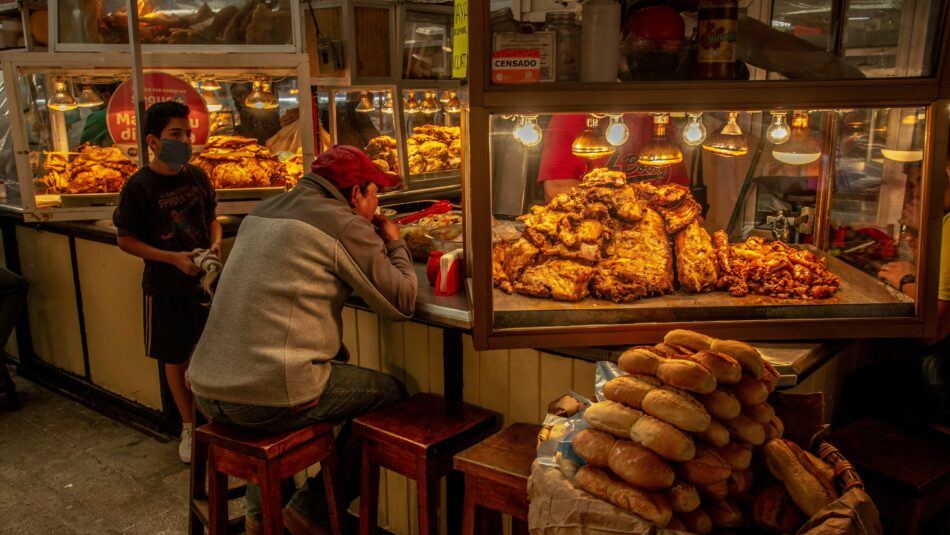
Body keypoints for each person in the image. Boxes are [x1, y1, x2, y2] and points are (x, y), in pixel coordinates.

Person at [186, 145, 417, 535]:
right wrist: (394, 242)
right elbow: (402, 301)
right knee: (392, 394)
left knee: (267, 382)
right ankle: (311, 512)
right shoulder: (344, 222)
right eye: (376, 192)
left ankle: (261, 518)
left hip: (206, 389)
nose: (379, 202)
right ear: (356, 193)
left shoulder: (262, 210)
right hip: (264, 395)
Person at [112, 101, 222, 463]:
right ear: (153, 140)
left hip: (205, 282)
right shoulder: (139, 187)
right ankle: (189, 427)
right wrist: (172, 259)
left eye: (188, 134)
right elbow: (125, 240)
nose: (185, 141)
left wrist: (216, 244)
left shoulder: (198, 177)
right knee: (175, 358)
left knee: (209, 352)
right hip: (164, 286)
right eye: (175, 134)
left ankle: (214, 422)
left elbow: (212, 218)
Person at [537, 113, 690, 202]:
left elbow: (678, 190)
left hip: (653, 236)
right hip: (592, 234)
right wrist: (622, 207)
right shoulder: (572, 116)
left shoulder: (659, 119)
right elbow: (557, 189)